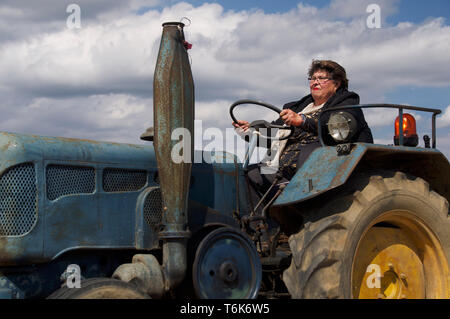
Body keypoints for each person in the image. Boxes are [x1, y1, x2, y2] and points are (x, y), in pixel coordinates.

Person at [232, 59, 373, 212]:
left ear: (337, 84)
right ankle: (258, 228)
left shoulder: (347, 105)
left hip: (320, 173)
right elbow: (274, 134)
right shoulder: (298, 107)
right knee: (249, 174)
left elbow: (338, 128)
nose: (315, 82)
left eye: (322, 78)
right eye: (313, 78)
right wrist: (249, 131)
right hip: (281, 172)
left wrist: (303, 121)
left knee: (311, 154)